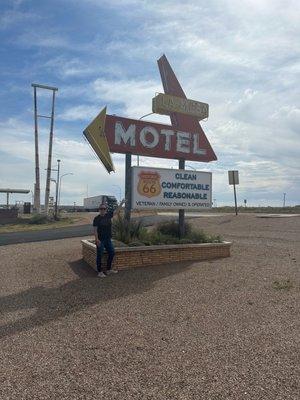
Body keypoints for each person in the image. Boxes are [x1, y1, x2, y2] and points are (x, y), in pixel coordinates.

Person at [93, 199, 125, 278]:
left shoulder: (108, 215)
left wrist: (121, 203)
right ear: (99, 210)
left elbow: (116, 211)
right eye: (101, 209)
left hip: (108, 239)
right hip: (100, 240)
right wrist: (97, 239)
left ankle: (108, 269)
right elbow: (95, 230)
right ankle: (100, 272)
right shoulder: (96, 218)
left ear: (106, 209)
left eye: (104, 209)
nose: (103, 210)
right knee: (99, 255)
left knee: (112, 253)